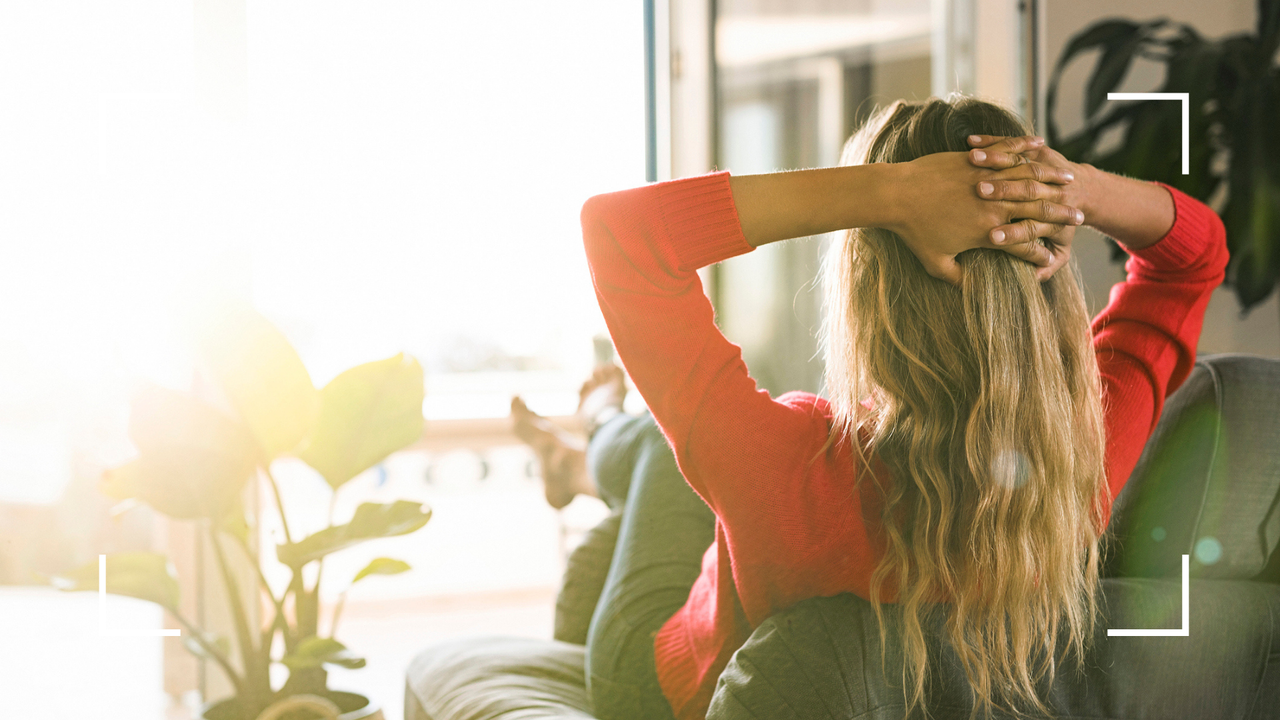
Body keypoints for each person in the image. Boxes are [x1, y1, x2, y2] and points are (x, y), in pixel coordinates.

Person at [512, 96, 1230, 720]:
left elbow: (619, 232)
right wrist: (1075, 187)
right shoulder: (1083, 458)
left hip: (656, 685)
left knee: (654, 455)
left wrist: (888, 194)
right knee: (684, 460)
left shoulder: (780, 456)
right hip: (743, 536)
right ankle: (580, 455)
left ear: (866, 278)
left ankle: (586, 441)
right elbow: (1194, 257)